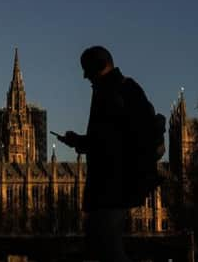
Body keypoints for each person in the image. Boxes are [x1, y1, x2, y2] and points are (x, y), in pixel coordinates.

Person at [56, 46, 156, 262]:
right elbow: (106, 139)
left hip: (114, 185)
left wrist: (84, 142)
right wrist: (80, 141)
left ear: (100, 66)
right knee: (101, 244)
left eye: (87, 69)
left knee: (106, 245)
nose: (84, 76)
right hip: (110, 186)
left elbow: (117, 142)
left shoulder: (117, 91)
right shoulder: (113, 90)